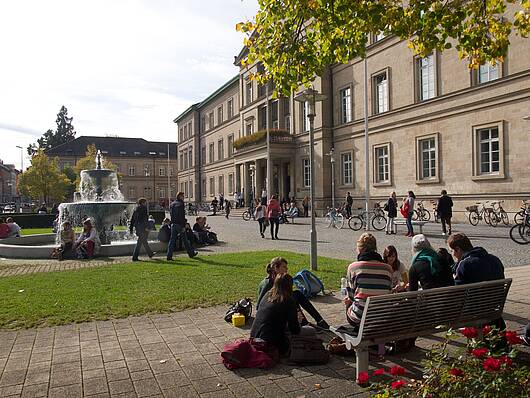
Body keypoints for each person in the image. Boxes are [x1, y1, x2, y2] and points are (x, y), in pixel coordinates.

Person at [256, 257, 329, 330]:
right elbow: (259, 305)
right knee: (291, 298)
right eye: (284, 267)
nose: (286, 269)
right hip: (273, 314)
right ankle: (304, 323)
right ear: (276, 268)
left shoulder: (279, 279)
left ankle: (318, 321)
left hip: (279, 305)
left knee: (296, 294)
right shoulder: (268, 283)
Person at [344, 233, 393, 330]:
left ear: (361, 249)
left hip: (361, 316)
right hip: (383, 316)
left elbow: (351, 296)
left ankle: (360, 333)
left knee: (348, 303)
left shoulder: (353, 267)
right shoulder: (388, 269)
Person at [250, 273, 301, 356]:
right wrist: (298, 320)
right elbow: (295, 330)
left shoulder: (268, 294)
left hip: (254, 337)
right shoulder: (288, 300)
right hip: (271, 343)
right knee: (310, 331)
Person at [167, 192, 198, 260]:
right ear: (180, 196)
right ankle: (191, 253)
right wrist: (183, 226)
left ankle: (169, 256)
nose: (183, 198)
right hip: (179, 224)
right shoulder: (181, 204)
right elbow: (181, 216)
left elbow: (171, 214)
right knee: (185, 240)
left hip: (173, 224)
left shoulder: (172, 204)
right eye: (183, 196)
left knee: (172, 241)